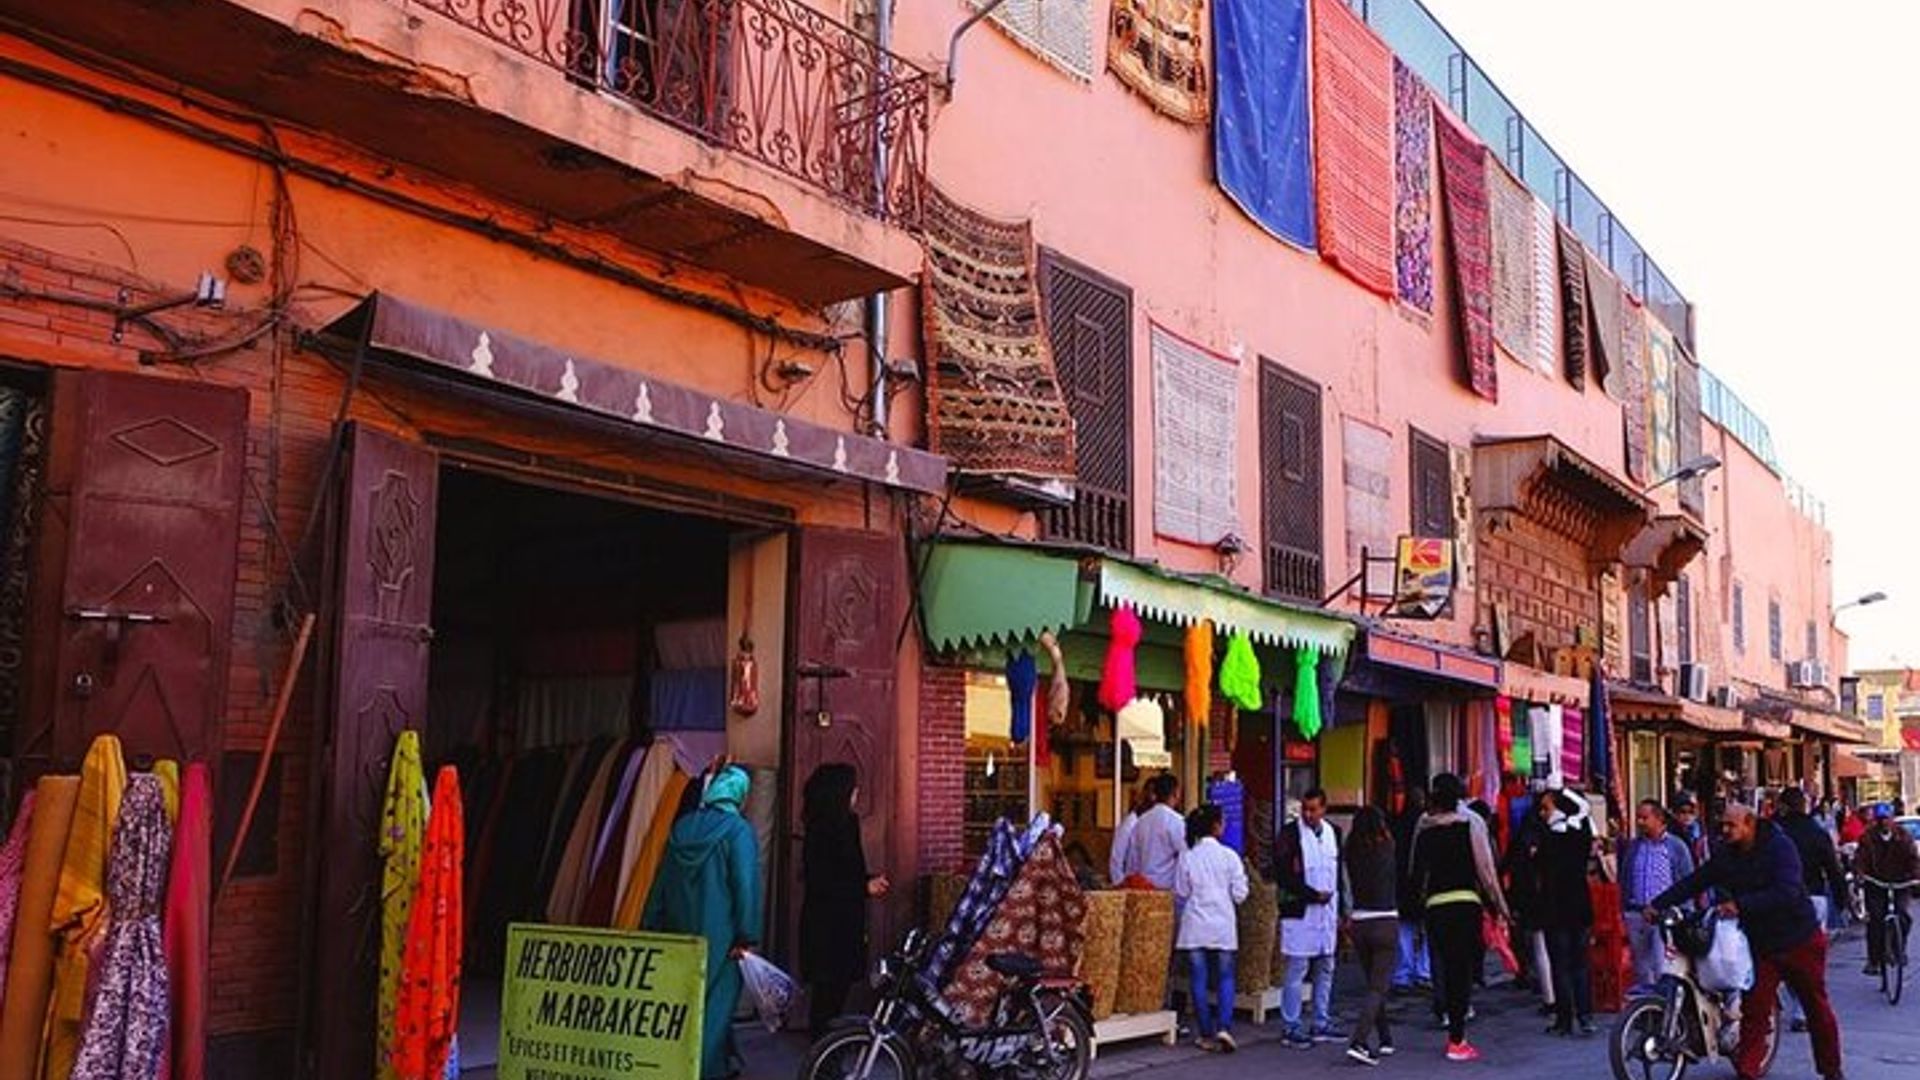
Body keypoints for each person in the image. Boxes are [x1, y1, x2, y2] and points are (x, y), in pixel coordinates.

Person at [1646, 803, 1843, 1080]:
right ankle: (1748, 1072)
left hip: (1799, 939)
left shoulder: (1780, 847)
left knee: (1816, 1007)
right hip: (1762, 944)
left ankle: (1831, 1070)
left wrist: (1741, 905)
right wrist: (1658, 904)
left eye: (1731, 825)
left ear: (1749, 823)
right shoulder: (1728, 853)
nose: (1724, 830)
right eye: (1723, 825)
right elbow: (1697, 880)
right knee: (1754, 1011)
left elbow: (1787, 891)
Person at [643, 765, 763, 1080]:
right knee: (715, 1009)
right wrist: (747, 934)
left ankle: (715, 1065)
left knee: (683, 1004)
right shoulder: (738, 831)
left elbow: (661, 881)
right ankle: (701, 1071)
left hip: (679, 933)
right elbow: (744, 885)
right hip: (722, 938)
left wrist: (651, 923)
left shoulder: (682, 827)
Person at [1410, 773, 1509, 1063]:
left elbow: (1415, 874)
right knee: (1460, 971)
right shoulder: (1471, 825)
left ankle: (1444, 1011)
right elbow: (1486, 871)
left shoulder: (1424, 829)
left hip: (1436, 907)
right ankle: (1457, 1037)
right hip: (1466, 905)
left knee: (1441, 965)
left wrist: (1417, 910)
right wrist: (1500, 907)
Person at [798, 763, 889, 1038]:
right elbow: (823, 879)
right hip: (831, 924)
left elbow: (845, 870)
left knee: (833, 989)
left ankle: (826, 1046)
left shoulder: (837, 824)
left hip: (837, 921)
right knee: (829, 991)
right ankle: (825, 1050)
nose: (856, 793)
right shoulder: (829, 828)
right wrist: (863, 886)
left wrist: (867, 881)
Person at [1175, 804, 1249, 1054]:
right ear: (1217, 826)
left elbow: (1181, 891)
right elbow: (1240, 894)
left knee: (1199, 978)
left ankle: (1205, 1032)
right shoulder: (1230, 856)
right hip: (1223, 924)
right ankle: (1224, 1027)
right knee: (1226, 977)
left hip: (1195, 924)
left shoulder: (1188, 857)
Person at [1276, 787, 1346, 1049]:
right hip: (1300, 911)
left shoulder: (1333, 833)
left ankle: (1321, 1021)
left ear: (1324, 809)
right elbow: (1284, 875)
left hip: (1327, 911)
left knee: (1326, 966)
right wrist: (1311, 895)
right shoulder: (1289, 834)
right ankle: (1291, 1025)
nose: (1308, 814)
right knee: (1297, 968)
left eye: (1313, 809)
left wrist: (1342, 910)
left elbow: (1338, 875)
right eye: (1305, 809)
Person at [1774, 787, 1845, 1029]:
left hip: (1779, 898)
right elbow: (1832, 868)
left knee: (1778, 951)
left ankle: (1787, 1000)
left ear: (1782, 806)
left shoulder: (1774, 831)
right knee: (1808, 957)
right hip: (1813, 898)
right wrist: (1841, 900)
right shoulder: (1817, 832)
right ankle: (1803, 1010)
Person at [1619, 798, 1695, 995]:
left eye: (1645, 818)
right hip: (1636, 914)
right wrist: (1625, 909)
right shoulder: (1634, 847)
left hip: (1664, 916)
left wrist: (1684, 911)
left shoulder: (1676, 847)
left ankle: (1662, 1005)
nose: (1640, 822)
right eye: (1638, 818)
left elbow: (1688, 880)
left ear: (1659, 819)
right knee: (1641, 967)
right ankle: (1645, 1007)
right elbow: (1625, 877)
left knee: (1662, 965)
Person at [1536, 789, 1596, 1037]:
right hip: (1579, 906)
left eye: (1546, 807)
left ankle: (1564, 1019)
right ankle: (1585, 1016)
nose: (1543, 813)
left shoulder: (1548, 836)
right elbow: (1584, 808)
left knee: (1560, 965)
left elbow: (1538, 867)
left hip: (1555, 908)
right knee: (1580, 964)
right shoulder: (1580, 832)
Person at [1344, 806, 1401, 1067]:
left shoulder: (1351, 850)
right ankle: (1359, 1040)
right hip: (1385, 918)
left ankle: (1385, 1037)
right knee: (1378, 986)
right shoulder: (1387, 846)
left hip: (1360, 920)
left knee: (1373, 984)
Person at [1503, 791, 1555, 1019]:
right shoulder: (1554, 832)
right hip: (1544, 898)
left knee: (1540, 945)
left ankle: (1549, 995)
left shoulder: (1527, 832)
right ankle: (1554, 994)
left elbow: (1509, 862)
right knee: (1546, 946)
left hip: (1531, 898)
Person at [1858, 802, 1918, 977]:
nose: (1884, 823)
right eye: (1880, 819)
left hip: (1900, 882)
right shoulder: (1868, 837)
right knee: (1875, 919)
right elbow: (1860, 858)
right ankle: (1874, 960)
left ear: (1892, 819)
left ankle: (1899, 950)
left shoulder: (1904, 837)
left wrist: (1915, 876)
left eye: (1887, 819)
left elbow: (1913, 858)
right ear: (1876, 821)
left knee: (1903, 916)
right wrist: (1860, 873)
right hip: (1876, 883)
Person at [1391, 785, 1431, 992]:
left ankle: (1403, 974)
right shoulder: (1428, 825)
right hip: (1424, 884)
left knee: (1404, 930)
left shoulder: (1397, 824)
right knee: (1428, 930)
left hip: (1402, 884)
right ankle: (1424, 971)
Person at [1125, 773, 1186, 890]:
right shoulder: (1176, 821)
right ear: (1176, 793)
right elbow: (1185, 856)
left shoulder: (1141, 821)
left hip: (1144, 886)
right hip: (1167, 887)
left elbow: (1133, 858)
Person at [1110, 781, 1150, 885]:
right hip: (1131, 883)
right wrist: (1120, 883)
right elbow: (1116, 858)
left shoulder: (1148, 823)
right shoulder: (1130, 823)